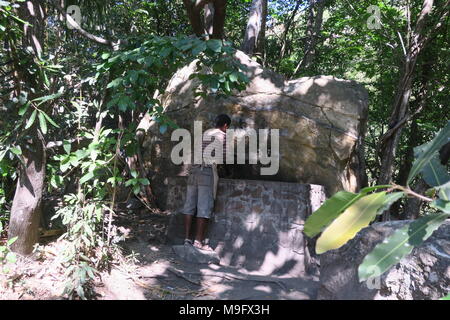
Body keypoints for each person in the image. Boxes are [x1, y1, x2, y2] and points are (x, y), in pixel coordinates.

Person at [180, 114, 231, 251]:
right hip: (206, 171)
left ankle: (186, 239)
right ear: (225, 125)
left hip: (193, 170)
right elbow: (222, 158)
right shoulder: (222, 135)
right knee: (204, 206)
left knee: (189, 205)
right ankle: (198, 242)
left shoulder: (205, 133)